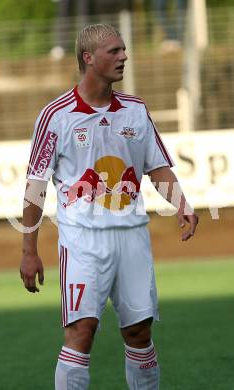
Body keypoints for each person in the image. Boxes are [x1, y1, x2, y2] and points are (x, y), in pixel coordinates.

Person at [20, 23, 198, 389]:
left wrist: (182, 203)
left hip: (133, 239)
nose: (124, 57)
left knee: (139, 334)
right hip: (83, 242)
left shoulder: (135, 110)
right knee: (81, 332)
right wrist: (29, 251)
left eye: (123, 50)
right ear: (88, 58)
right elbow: (35, 186)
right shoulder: (56, 115)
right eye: (114, 51)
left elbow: (156, 166)